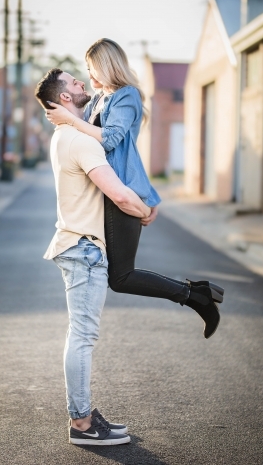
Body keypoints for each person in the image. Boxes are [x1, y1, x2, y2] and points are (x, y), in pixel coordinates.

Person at [45, 39, 223, 341]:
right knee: (118, 276)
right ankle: (197, 294)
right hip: (112, 191)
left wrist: (69, 120)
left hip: (121, 192)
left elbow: (112, 140)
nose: (88, 75)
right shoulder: (100, 99)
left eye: (90, 68)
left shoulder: (126, 96)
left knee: (122, 276)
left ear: (105, 66)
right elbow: (115, 152)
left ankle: (196, 295)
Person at [35, 68, 153, 446]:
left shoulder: (64, 135)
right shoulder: (80, 141)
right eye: (74, 82)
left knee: (80, 335)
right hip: (84, 247)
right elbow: (117, 193)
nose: (82, 84)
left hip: (78, 246)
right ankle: (82, 423)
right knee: (83, 337)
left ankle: (82, 412)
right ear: (64, 98)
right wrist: (144, 208)